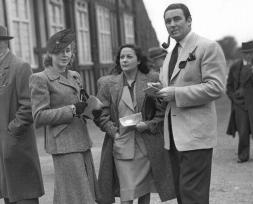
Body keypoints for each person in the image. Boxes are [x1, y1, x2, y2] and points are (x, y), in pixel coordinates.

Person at [154, 3, 226, 204]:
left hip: (196, 136)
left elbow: (215, 87)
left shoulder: (207, 47)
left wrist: (175, 93)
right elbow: (170, 85)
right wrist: (158, 89)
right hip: (174, 136)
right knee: (182, 194)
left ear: (189, 21)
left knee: (192, 195)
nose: (172, 24)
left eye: (177, 19)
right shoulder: (170, 55)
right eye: (168, 21)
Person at [94, 44, 176, 204]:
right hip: (122, 145)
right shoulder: (107, 83)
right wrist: (114, 132)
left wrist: (148, 124)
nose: (124, 60)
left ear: (138, 60)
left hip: (146, 146)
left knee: (144, 191)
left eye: (129, 56)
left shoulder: (152, 79)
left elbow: (162, 111)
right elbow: (99, 114)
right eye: (122, 57)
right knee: (128, 193)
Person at [29, 29, 101, 204]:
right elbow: (39, 116)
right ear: (50, 54)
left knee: (81, 193)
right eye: (59, 51)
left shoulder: (75, 76)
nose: (64, 55)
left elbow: (80, 106)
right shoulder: (40, 78)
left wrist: (90, 109)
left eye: (68, 51)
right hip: (63, 144)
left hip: (82, 140)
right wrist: (72, 110)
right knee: (76, 194)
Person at [0, 25, 44, 204]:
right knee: (9, 195)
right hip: (3, 148)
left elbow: (28, 105)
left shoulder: (20, 67)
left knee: (24, 196)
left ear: (2, 43)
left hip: (17, 144)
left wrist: (11, 132)